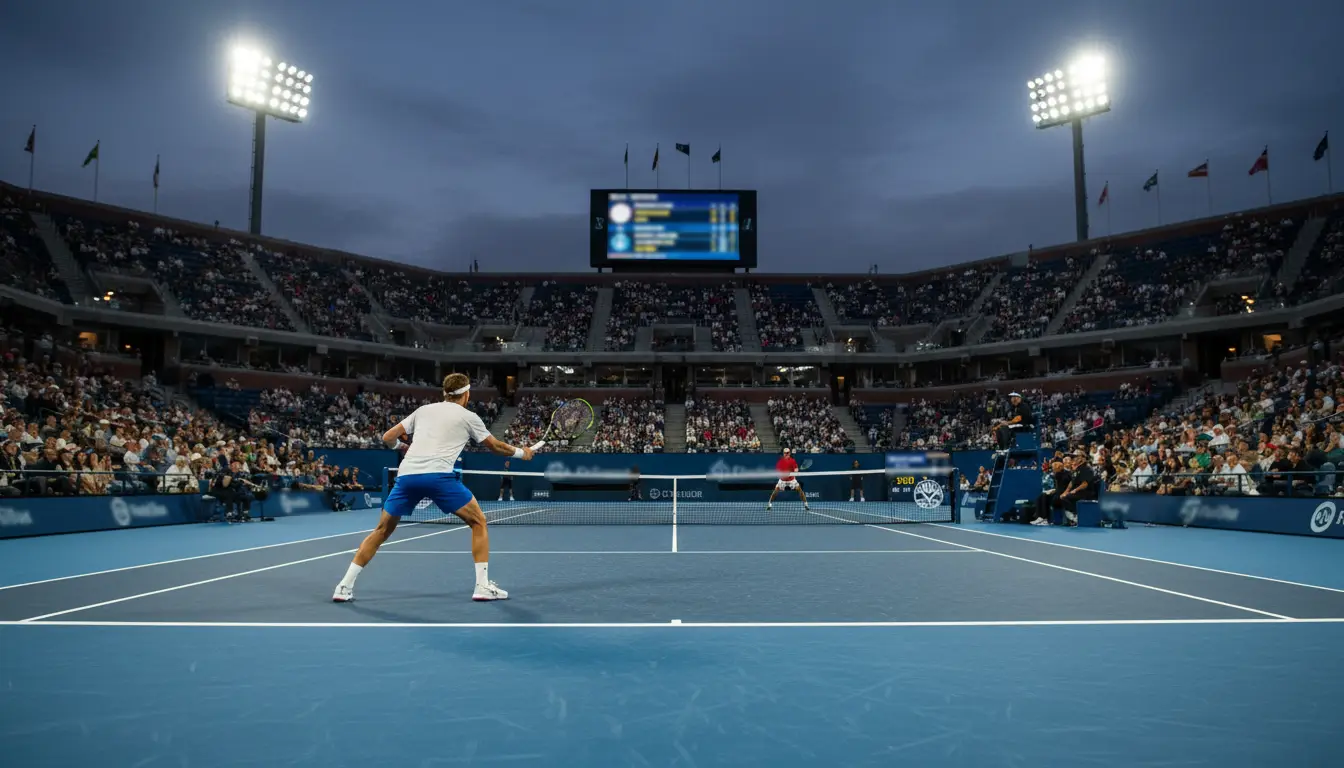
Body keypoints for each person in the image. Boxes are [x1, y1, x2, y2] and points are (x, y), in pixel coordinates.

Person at [332, 373, 534, 603]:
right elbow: (496, 447)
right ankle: (482, 586)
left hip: (407, 476)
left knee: (381, 531)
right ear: (466, 394)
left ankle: (343, 586)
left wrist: (401, 447)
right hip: (439, 477)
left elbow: (388, 437)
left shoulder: (423, 411)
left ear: (444, 393)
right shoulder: (469, 417)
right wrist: (522, 453)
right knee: (478, 522)